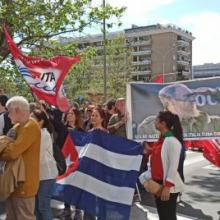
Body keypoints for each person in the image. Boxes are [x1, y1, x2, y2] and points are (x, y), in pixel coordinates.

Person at [0, 96, 41, 220]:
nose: (7, 115)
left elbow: (12, 153)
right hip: (14, 182)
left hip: (25, 183)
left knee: (24, 217)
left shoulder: (31, 126)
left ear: (17, 110)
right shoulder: (18, 126)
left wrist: (4, 149)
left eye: (9, 111)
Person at [139, 111, 185, 220]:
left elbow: (174, 166)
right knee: (163, 216)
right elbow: (159, 156)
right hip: (158, 183)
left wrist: (167, 187)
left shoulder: (172, 141)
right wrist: (148, 148)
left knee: (168, 216)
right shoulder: (162, 139)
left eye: (156, 120)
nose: (154, 122)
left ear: (163, 124)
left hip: (166, 186)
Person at [138, 83, 220, 135]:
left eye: (193, 95)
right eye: (187, 96)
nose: (193, 99)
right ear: (170, 101)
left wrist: (215, 93)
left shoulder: (210, 122)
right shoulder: (150, 126)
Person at [31, 109, 58, 220]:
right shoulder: (35, 133)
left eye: (32, 118)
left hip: (46, 175)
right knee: (37, 208)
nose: (29, 120)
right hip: (37, 175)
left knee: (43, 207)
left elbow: (35, 153)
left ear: (41, 121)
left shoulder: (44, 134)